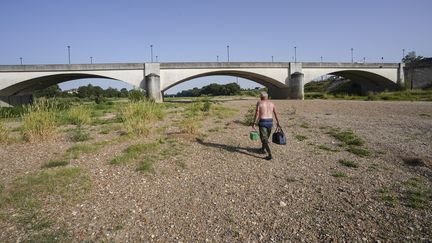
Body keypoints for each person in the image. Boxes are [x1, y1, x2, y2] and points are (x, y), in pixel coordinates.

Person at [252, 91, 280, 160]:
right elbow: (276, 113)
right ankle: (262, 149)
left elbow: (257, 113)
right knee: (266, 137)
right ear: (267, 97)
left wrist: (254, 122)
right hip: (270, 122)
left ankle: (270, 154)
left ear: (261, 97)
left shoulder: (259, 103)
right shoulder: (272, 103)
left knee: (264, 139)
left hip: (263, 122)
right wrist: (278, 122)